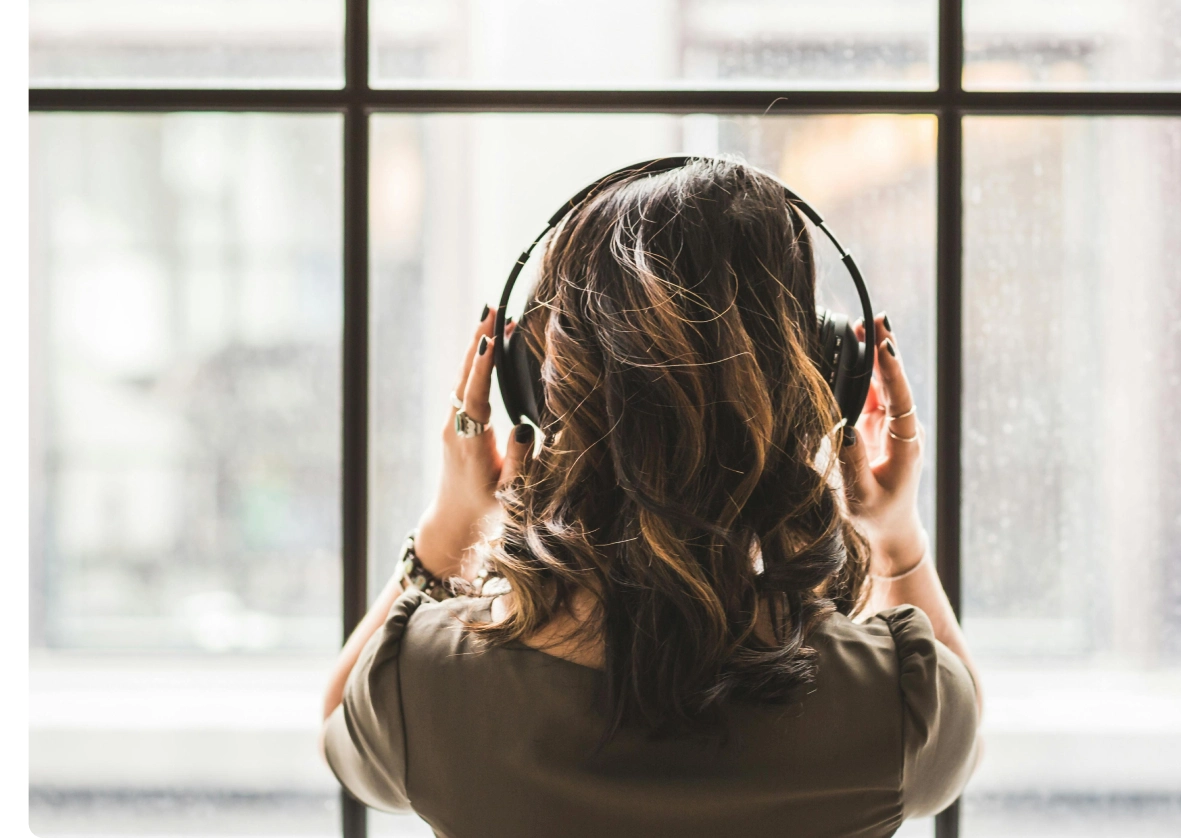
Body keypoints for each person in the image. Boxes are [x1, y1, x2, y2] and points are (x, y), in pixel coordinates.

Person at [321, 157, 982, 837]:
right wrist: (897, 536)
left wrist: (450, 524)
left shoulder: (425, 685)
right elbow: (959, 741)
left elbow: (341, 727)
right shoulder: (895, 703)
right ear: (824, 378)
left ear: (534, 391)